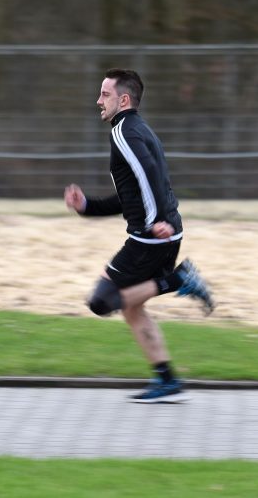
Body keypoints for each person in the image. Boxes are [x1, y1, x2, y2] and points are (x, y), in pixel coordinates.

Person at [65, 68, 214, 404]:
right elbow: (130, 197)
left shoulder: (123, 132)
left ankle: (177, 281)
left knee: (101, 301)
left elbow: (148, 177)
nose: (98, 101)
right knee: (133, 309)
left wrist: (155, 221)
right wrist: (87, 206)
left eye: (105, 94)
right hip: (162, 234)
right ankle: (167, 380)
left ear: (124, 99)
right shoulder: (139, 130)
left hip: (151, 238)